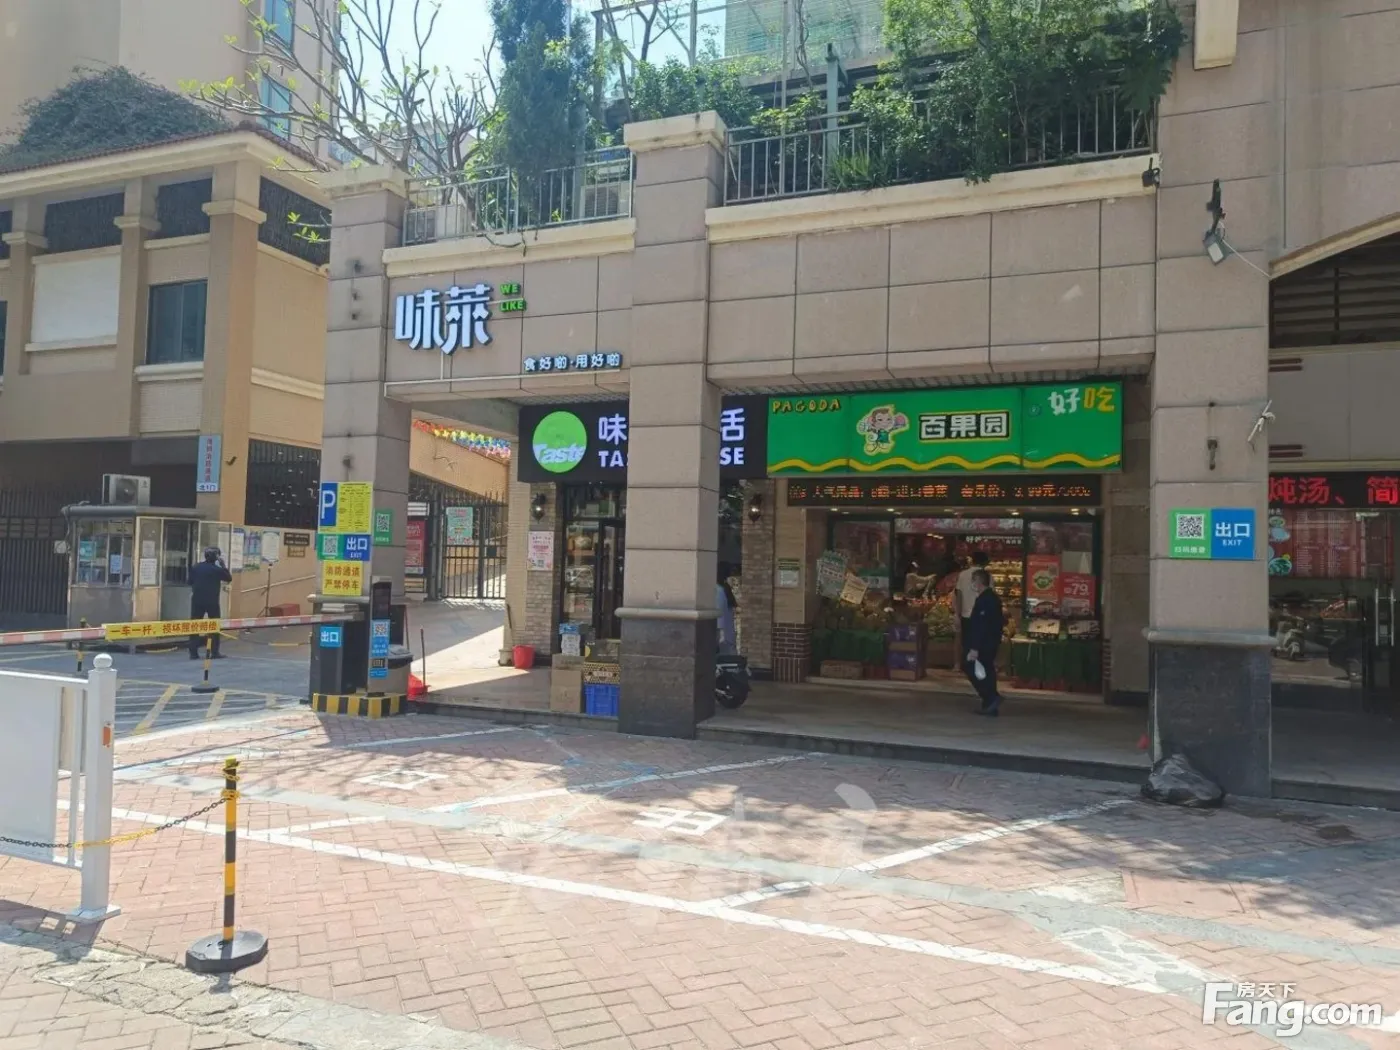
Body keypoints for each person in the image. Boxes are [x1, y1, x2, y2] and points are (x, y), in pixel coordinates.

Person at [964, 568, 1006, 716]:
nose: (972, 583)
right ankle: (990, 705)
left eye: (973, 580)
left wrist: (974, 647)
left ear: (978, 581)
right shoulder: (992, 598)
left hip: (984, 643)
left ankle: (991, 697)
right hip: (991, 641)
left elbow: (980, 625)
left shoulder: (985, 600)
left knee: (971, 667)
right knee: (987, 670)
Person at [188, 546, 232, 659]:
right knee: (214, 626)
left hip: (197, 600)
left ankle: (193, 653)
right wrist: (223, 565)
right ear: (216, 557)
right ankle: (214, 652)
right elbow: (228, 578)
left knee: (194, 626)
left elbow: (189, 581)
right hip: (212, 601)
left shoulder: (196, 567)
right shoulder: (217, 570)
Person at [953, 550, 989, 669]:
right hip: (982, 614)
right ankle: (977, 665)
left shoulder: (963, 575)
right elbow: (990, 596)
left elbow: (959, 595)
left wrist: (957, 614)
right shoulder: (987, 576)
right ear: (985, 562)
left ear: (972, 561)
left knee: (963, 641)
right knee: (980, 641)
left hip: (965, 614)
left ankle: (959, 665)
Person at [716, 565, 738, 656]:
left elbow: (719, 614)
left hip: (722, 636)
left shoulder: (719, 590)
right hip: (728, 636)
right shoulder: (724, 589)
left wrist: (721, 633)